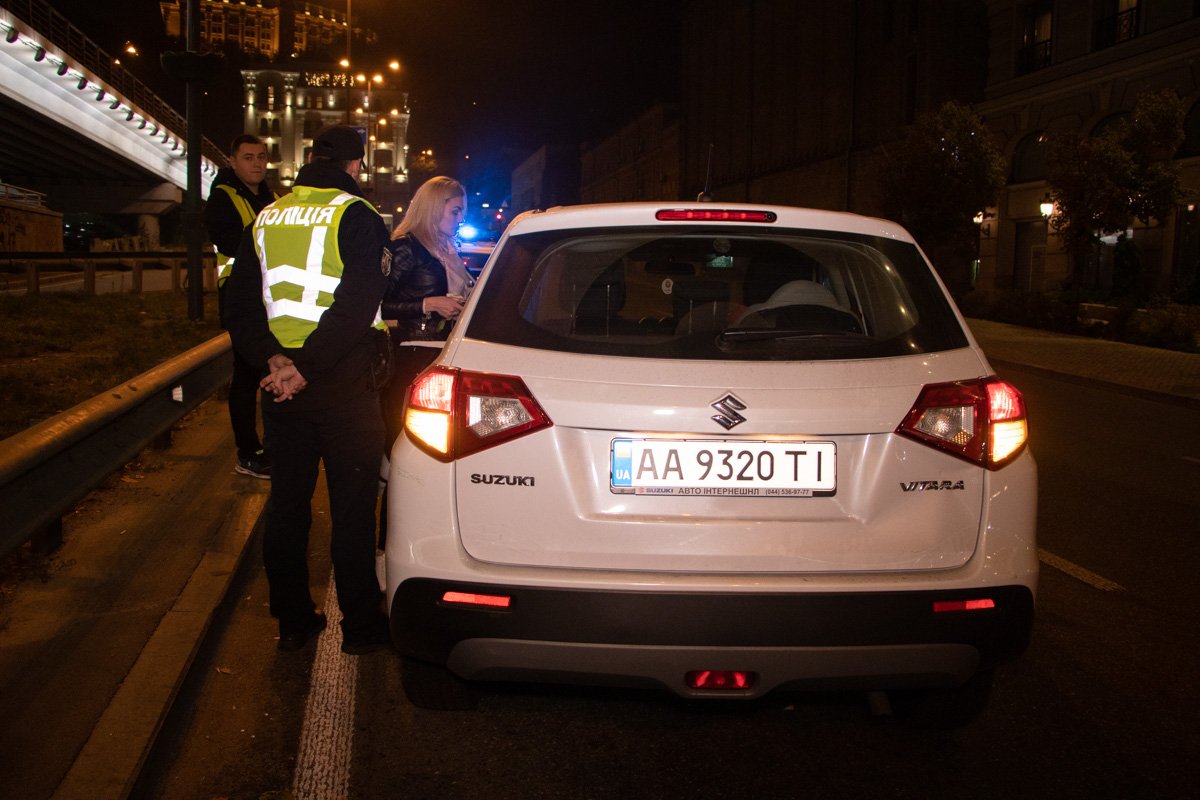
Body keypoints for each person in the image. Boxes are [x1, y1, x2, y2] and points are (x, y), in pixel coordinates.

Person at [223, 125, 393, 654]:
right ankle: (361, 629)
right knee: (352, 510)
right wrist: (308, 367)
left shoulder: (267, 217)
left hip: (281, 388)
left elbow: (238, 301)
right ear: (353, 165)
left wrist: (273, 359)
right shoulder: (357, 215)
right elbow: (355, 308)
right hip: (340, 383)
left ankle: (294, 620)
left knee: (289, 507)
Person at [204, 134, 278, 479]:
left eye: (262, 157)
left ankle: (271, 446)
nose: (257, 163)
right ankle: (248, 452)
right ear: (232, 161)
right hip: (239, 297)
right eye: (248, 157)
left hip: (266, 299)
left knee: (268, 371)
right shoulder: (222, 198)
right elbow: (231, 243)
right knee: (247, 376)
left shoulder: (271, 197)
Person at [379, 176, 473, 444]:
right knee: (408, 434)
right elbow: (378, 304)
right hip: (414, 351)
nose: (460, 219)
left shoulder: (448, 247)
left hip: (447, 350)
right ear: (434, 207)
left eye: (462, 213)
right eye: (455, 211)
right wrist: (427, 304)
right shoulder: (406, 246)